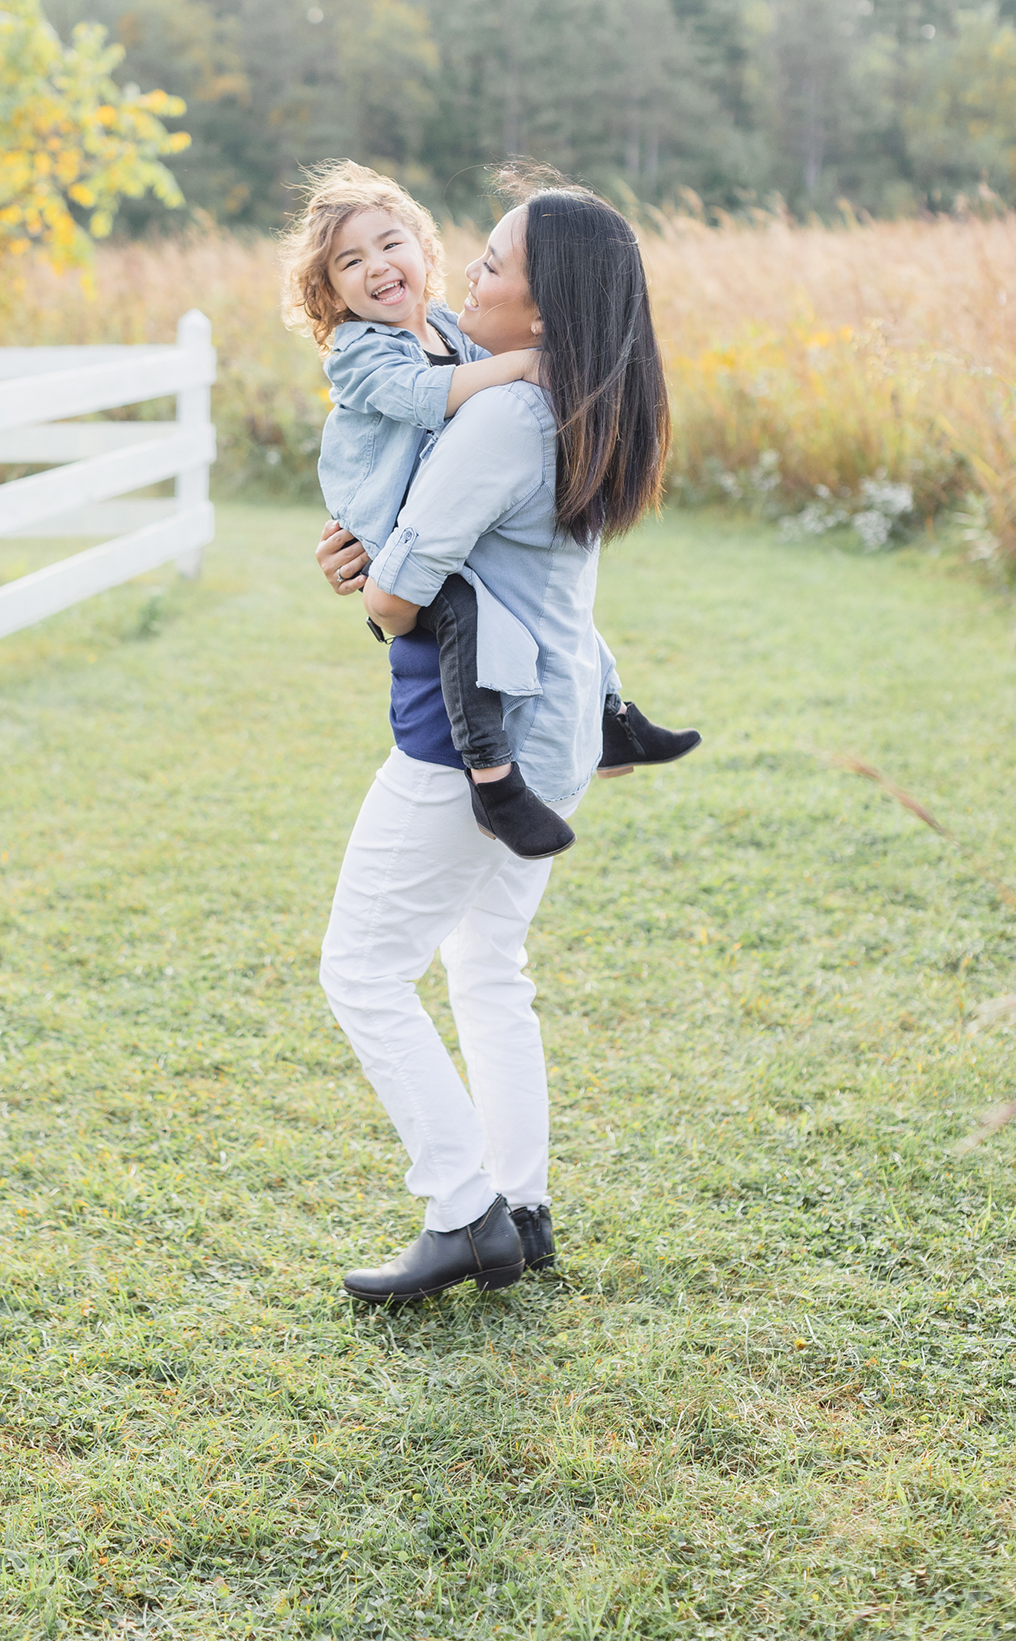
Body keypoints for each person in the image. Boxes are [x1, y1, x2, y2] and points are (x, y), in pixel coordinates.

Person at [310, 176, 668, 1304]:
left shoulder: (506, 411)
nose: (468, 269)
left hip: (479, 726)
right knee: (484, 964)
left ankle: (465, 1212)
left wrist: (369, 586)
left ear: (546, 307)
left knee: (361, 972)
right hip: (557, 723)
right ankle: (521, 1199)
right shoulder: (579, 396)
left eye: (494, 264)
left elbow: (408, 581)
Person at [287, 161, 699, 860]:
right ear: (330, 293)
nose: (378, 267)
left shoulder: (452, 333)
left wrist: (531, 363)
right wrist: (529, 363)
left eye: (391, 244)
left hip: (421, 523)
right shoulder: (360, 351)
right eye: (349, 263)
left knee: (551, 617)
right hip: (382, 517)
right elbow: (424, 398)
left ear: (423, 248)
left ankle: (615, 717)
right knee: (468, 620)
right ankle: (494, 777)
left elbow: (472, 407)